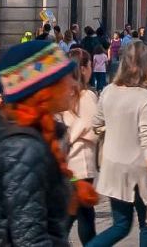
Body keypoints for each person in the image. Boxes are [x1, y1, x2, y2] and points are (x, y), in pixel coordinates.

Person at [0, 40, 87, 245]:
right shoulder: (24, 149)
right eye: (64, 78)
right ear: (43, 91)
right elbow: (30, 238)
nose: (73, 84)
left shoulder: (39, 136)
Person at [90, 40, 147, 246]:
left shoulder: (108, 91)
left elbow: (96, 123)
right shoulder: (146, 99)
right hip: (139, 170)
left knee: (121, 225)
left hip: (113, 167)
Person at [63, 46, 102, 242]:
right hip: (81, 165)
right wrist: (79, 135)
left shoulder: (62, 94)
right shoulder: (87, 96)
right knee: (79, 215)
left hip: (67, 163)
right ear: (85, 68)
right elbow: (93, 128)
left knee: (79, 213)